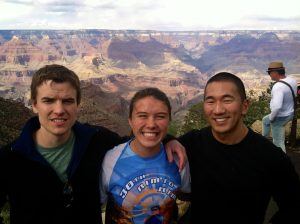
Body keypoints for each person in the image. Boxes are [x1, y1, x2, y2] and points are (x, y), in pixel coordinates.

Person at [0, 65, 186, 224]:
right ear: (33, 104)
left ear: (78, 104)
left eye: (67, 101)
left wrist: (169, 139)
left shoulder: (97, 140)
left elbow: (139, 139)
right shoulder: (10, 157)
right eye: (48, 101)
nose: (59, 110)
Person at [176, 72, 300, 224]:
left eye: (227, 100)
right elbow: (151, 151)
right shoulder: (191, 143)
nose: (218, 110)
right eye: (210, 101)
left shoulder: (271, 157)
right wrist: (169, 140)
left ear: (244, 106)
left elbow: (293, 206)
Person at [100, 88, 191, 224]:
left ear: (169, 120)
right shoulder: (110, 160)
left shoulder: (178, 158)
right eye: (142, 116)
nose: (151, 124)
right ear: (130, 121)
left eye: (160, 116)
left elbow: (187, 193)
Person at [262, 61, 297, 152]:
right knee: (265, 120)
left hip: (280, 117)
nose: (269, 75)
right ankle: (263, 141)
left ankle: (282, 161)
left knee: (278, 142)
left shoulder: (278, 86)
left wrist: (272, 118)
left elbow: (277, 107)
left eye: (269, 73)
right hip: (290, 113)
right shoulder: (292, 80)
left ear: (275, 72)